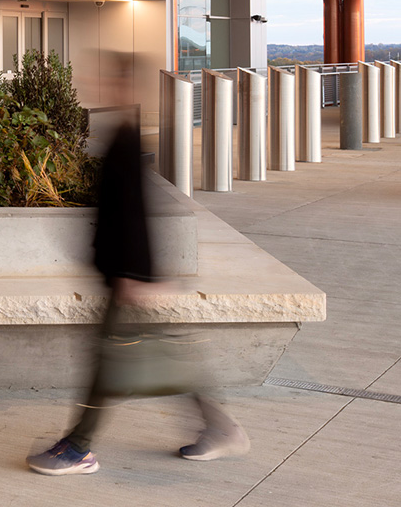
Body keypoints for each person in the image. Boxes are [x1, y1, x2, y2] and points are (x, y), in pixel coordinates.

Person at [27, 66, 250, 475]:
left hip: (126, 276)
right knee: (147, 355)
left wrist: (135, 275)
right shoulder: (122, 136)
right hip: (121, 274)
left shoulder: (127, 141)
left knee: (113, 360)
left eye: (110, 79)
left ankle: (79, 447)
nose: (98, 83)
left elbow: (133, 214)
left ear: (126, 85)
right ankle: (219, 427)